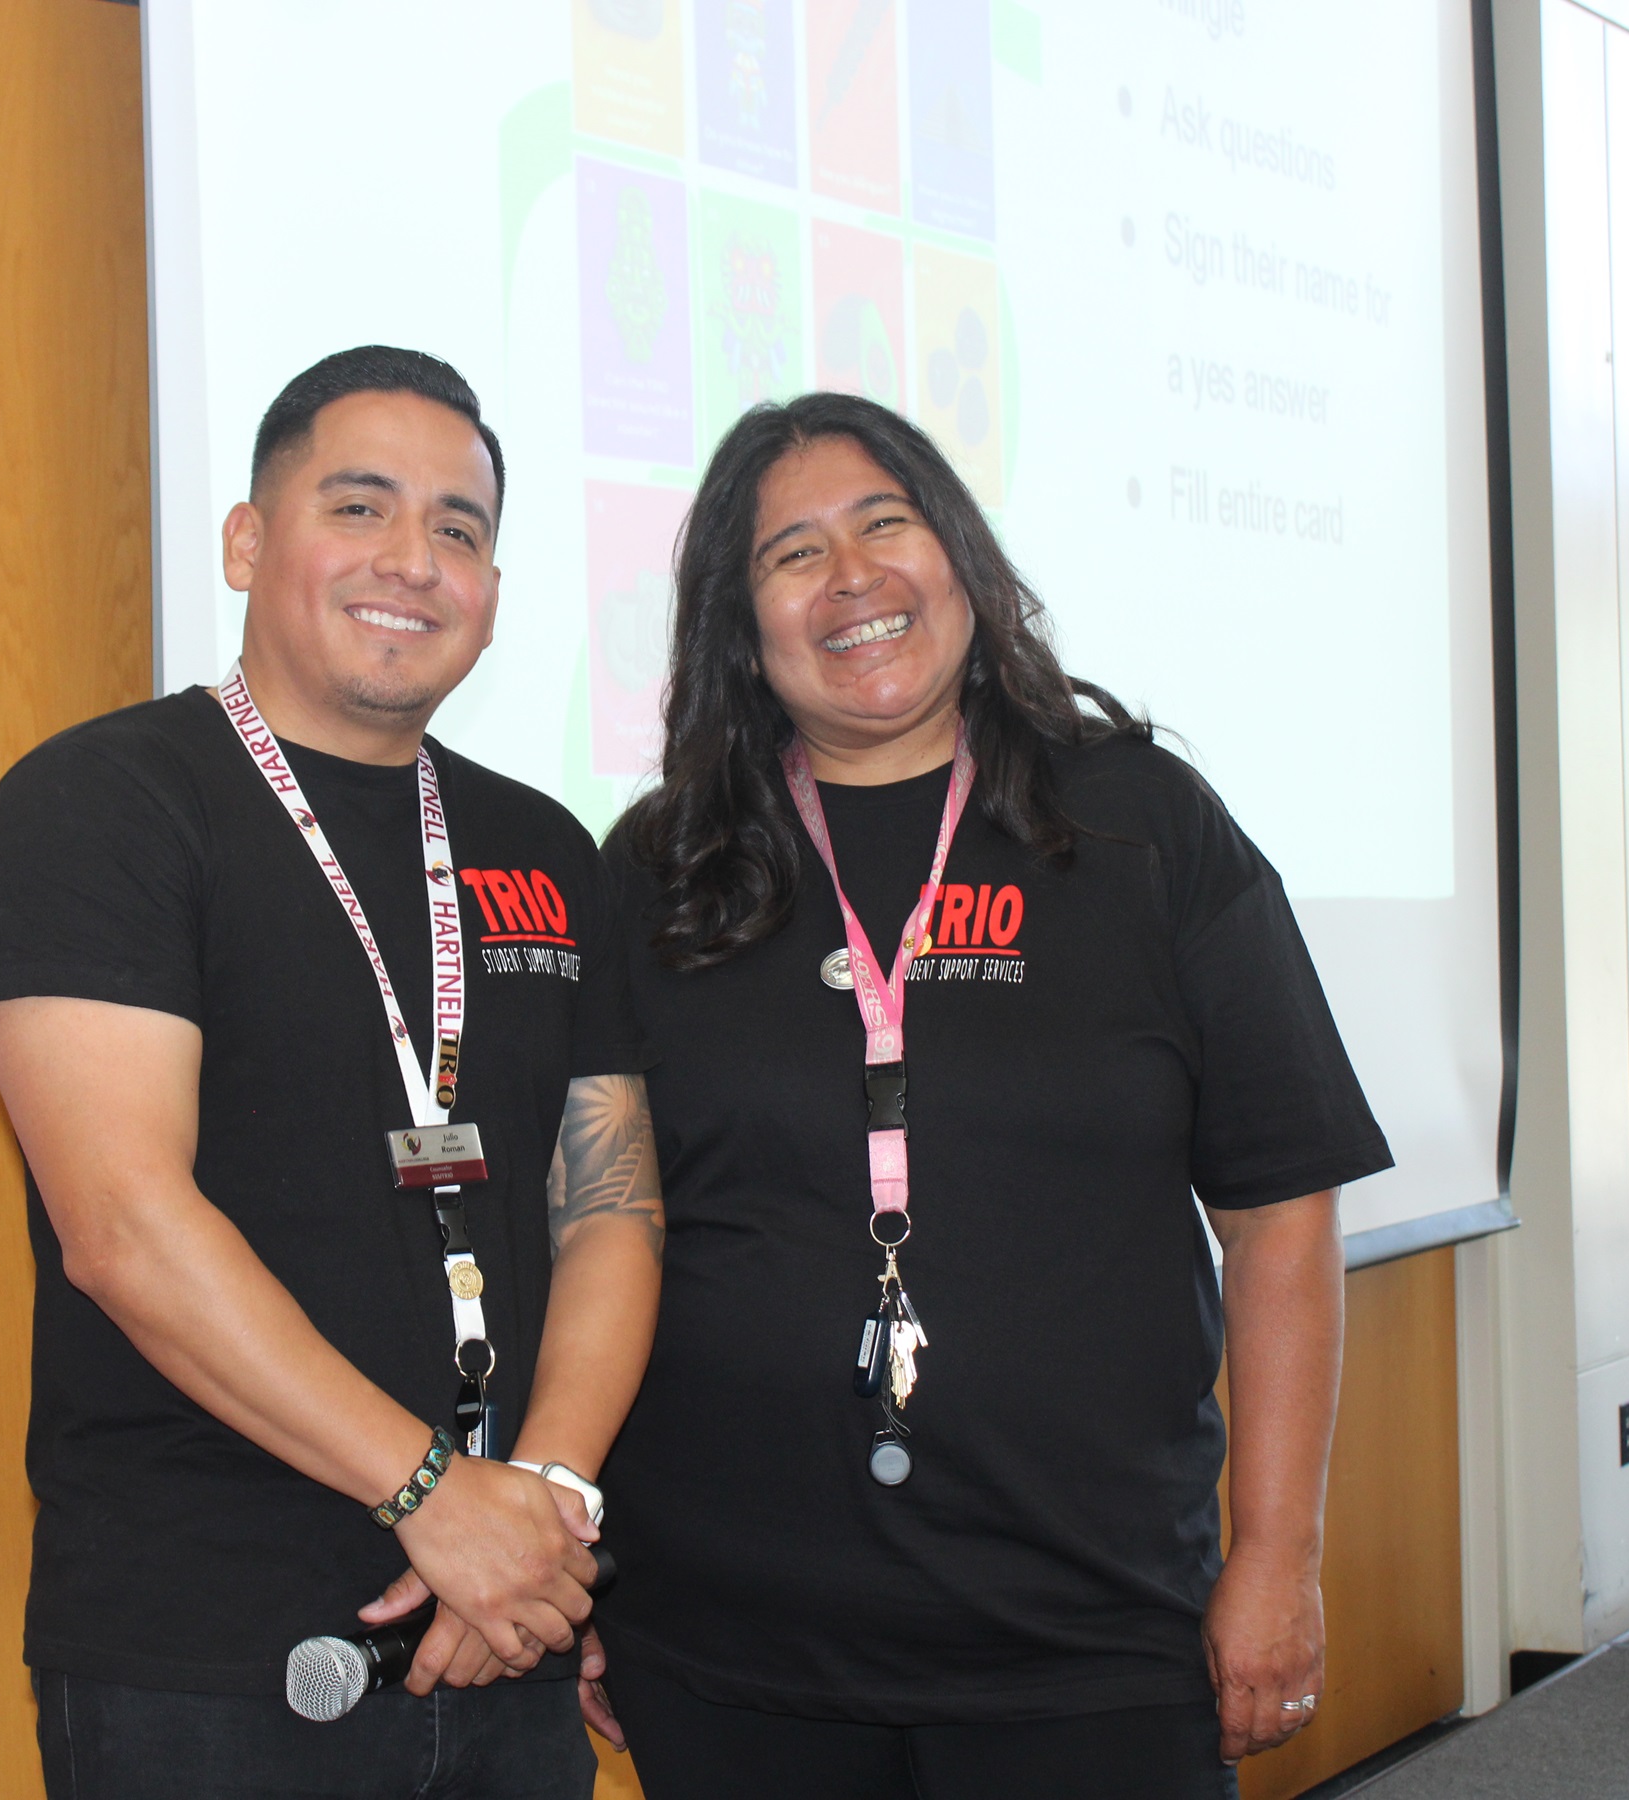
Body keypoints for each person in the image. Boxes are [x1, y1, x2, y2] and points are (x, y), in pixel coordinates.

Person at [591, 392, 1391, 1799]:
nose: (854, 580)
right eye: (792, 554)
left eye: (885, 525)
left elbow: (1281, 1222)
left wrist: (1277, 1558)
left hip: (1087, 1639)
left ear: (961, 552)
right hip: (729, 1645)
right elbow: (595, 1227)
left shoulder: (1141, 829)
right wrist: (574, 1545)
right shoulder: (663, 871)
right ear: (741, 620)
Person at [0, 347, 665, 1800]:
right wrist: (433, 1496)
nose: (413, 559)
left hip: (507, 1628)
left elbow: (610, 1206)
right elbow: (126, 1229)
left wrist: (544, 1505)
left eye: (459, 530)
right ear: (247, 539)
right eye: (361, 507)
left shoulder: (545, 847)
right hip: (210, 1660)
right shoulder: (103, 806)